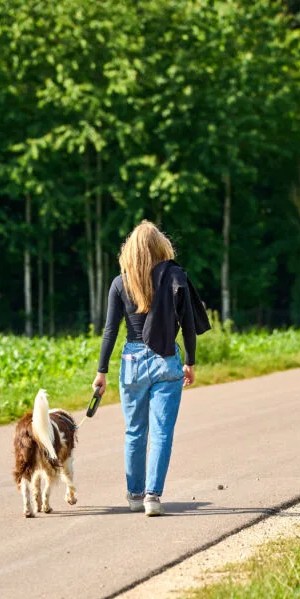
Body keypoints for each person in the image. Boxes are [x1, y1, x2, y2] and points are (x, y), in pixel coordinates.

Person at [92, 221, 208, 517]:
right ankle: (152, 497)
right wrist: (190, 362)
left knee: (134, 432)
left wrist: (101, 372)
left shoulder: (121, 283)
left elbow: (110, 331)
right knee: (161, 433)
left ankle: (134, 494)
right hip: (166, 358)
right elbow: (190, 326)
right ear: (160, 247)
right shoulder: (174, 278)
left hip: (131, 362)